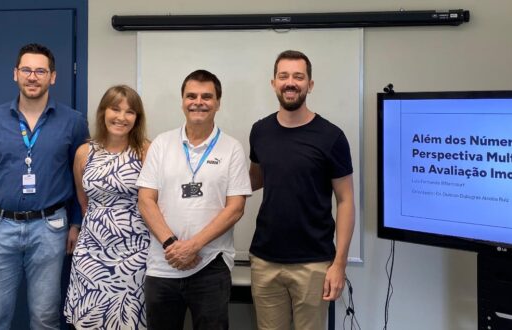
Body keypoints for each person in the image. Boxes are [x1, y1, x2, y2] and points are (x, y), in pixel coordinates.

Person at [0, 43, 89, 330]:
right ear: (15, 74)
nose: (33, 77)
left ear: (52, 77)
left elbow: (82, 178)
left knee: (45, 318)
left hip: (51, 228)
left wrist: (76, 224)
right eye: (27, 70)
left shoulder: (73, 122)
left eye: (40, 71)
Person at [248, 50, 356, 330]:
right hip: (264, 259)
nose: (290, 82)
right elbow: (254, 180)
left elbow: (345, 201)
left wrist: (339, 263)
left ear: (310, 84)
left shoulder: (331, 137)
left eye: (298, 76)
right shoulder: (260, 131)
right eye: (283, 76)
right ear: (273, 83)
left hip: (314, 263)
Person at [137, 69, 252, 330]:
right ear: (182, 101)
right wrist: (172, 244)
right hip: (163, 264)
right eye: (191, 96)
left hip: (210, 265)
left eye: (206, 96)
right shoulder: (161, 144)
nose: (198, 102)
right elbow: (145, 200)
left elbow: (235, 208)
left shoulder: (232, 148)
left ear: (218, 103)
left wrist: (193, 246)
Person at [64, 85, 151, 329]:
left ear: (137, 118)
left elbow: (156, 203)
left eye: (130, 112)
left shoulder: (146, 150)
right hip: (91, 253)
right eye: (115, 109)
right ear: (103, 112)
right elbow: (84, 202)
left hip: (135, 256)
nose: (121, 117)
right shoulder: (84, 152)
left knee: (129, 320)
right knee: (90, 319)